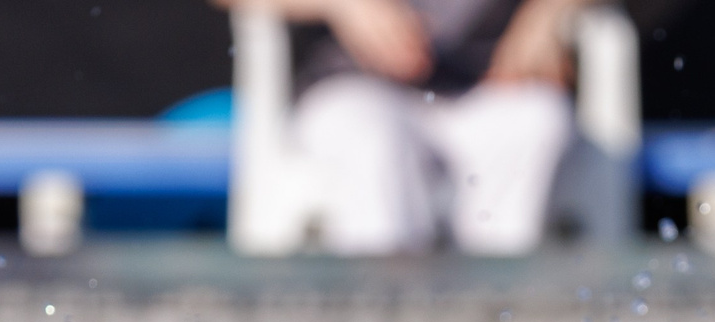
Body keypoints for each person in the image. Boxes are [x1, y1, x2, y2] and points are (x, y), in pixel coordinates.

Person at [217, 0, 595, 255]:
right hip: (354, 90)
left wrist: (551, 11)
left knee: (536, 122)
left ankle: (497, 320)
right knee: (372, 143)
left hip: (493, 89)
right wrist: (343, 5)